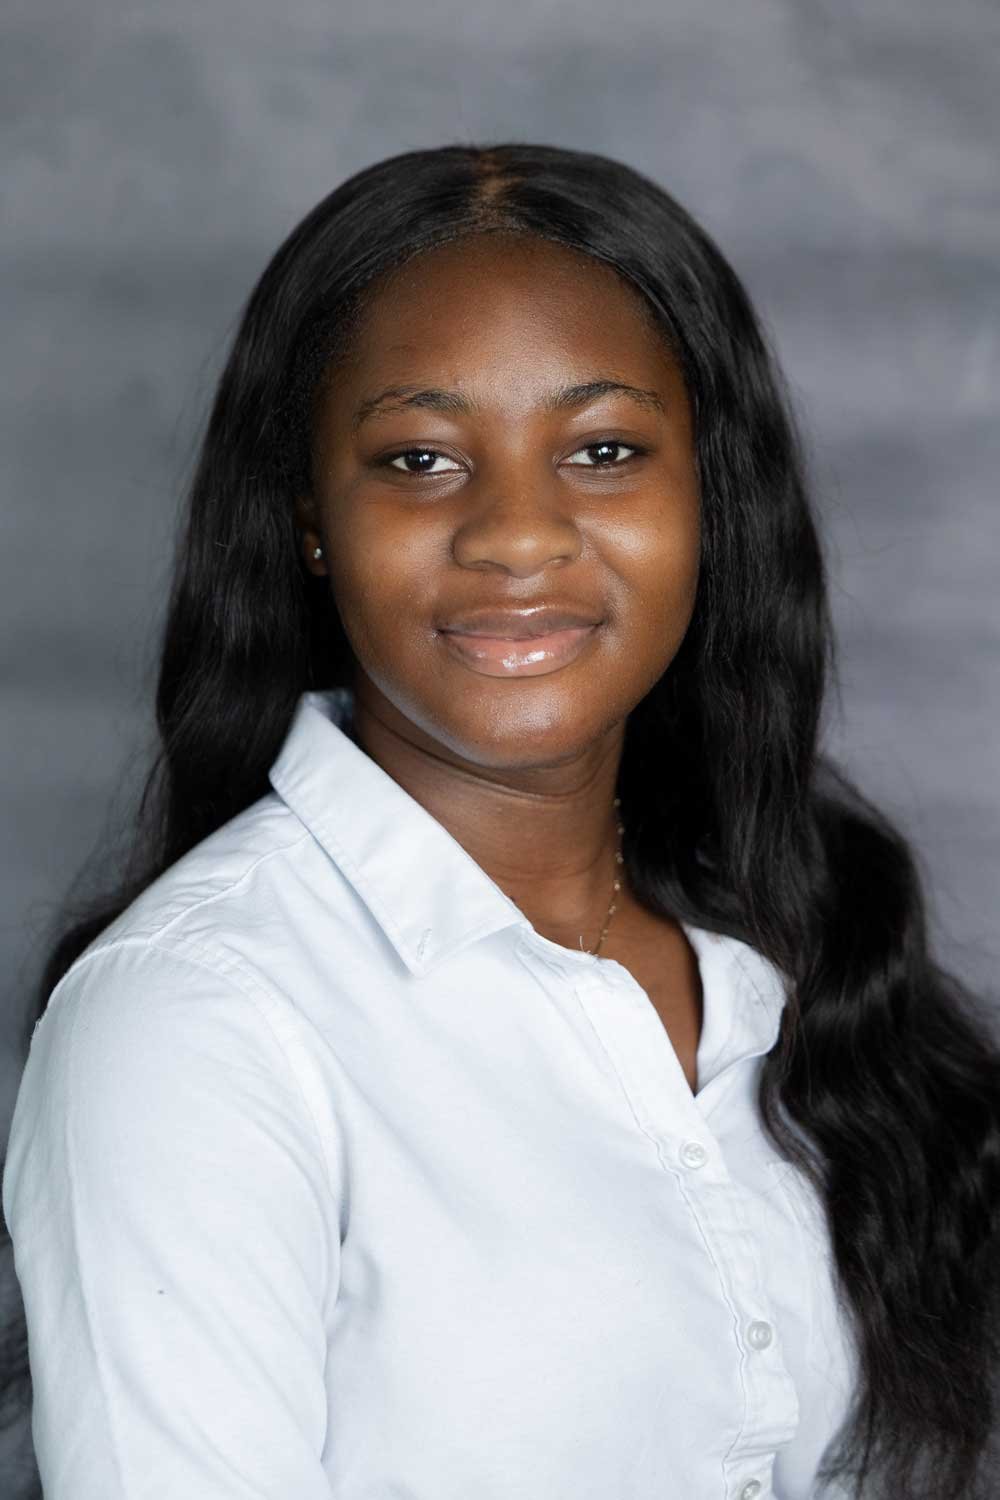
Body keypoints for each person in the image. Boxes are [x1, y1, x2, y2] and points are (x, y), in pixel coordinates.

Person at [1, 142, 997, 1500]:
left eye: (603, 450)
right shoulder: (198, 1022)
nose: (517, 535)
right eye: (418, 459)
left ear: (707, 494)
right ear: (309, 518)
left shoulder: (785, 950)